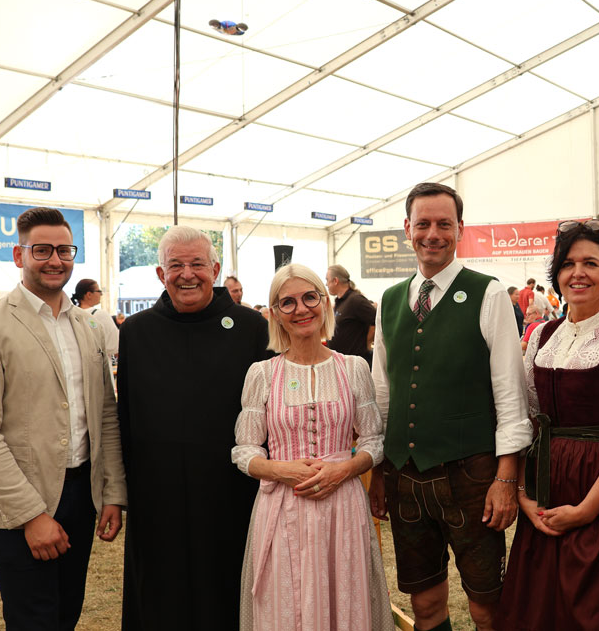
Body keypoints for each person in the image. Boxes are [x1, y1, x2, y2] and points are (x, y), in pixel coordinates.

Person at [0, 207, 125, 629]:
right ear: (18, 254)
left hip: (81, 494)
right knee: (35, 619)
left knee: (66, 612)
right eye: (42, 249)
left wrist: (113, 492)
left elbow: (104, 414)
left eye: (64, 250)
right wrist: (32, 515)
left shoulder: (88, 326)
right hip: (18, 503)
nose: (55, 260)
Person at [369, 182, 532, 631]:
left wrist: (506, 477)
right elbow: (382, 391)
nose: (433, 233)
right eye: (423, 224)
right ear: (407, 229)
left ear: (460, 229)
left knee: (486, 607)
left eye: (444, 224)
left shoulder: (489, 293)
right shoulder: (388, 300)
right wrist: (381, 471)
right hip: (405, 475)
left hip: (472, 476)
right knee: (424, 604)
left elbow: (510, 395)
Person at [496, 218, 599, 630]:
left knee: (595, 609)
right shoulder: (541, 335)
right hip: (547, 490)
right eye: (568, 263)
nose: (578, 273)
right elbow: (529, 423)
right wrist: (522, 495)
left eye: (591, 262)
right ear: (557, 273)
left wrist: (586, 510)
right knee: (540, 609)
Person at [117, 226, 273, 630]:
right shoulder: (135, 332)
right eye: (175, 265)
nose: (187, 274)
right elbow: (124, 418)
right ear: (160, 273)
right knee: (158, 592)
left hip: (230, 490)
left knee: (227, 587)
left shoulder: (251, 327)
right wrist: (120, 489)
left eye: (197, 264)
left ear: (216, 269)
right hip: (156, 494)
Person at [232, 263, 392, 630]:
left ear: (325, 303)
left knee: (345, 601)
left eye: (309, 298)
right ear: (275, 314)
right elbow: (244, 449)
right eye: (287, 303)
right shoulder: (262, 373)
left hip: (343, 507)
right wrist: (279, 469)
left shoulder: (353, 368)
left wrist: (345, 469)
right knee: (285, 605)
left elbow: (373, 440)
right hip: (282, 505)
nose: (301, 309)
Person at [325, 264, 376, 365]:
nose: (326, 284)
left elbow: (377, 321)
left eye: (327, 280)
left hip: (354, 363)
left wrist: (367, 343)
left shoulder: (356, 300)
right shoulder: (340, 302)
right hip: (341, 363)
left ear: (335, 281)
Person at [70, 279, 119, 360]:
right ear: (89, 294)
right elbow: (116, 345)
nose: (101, 294)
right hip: (99, 366)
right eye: (99, 291)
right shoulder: (100, 315)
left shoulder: (70, 314)